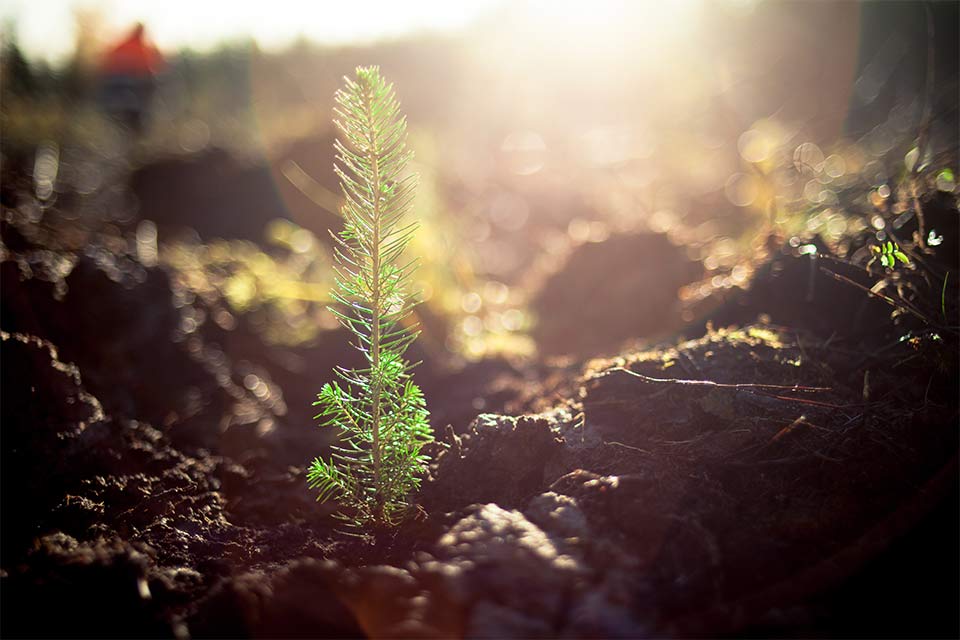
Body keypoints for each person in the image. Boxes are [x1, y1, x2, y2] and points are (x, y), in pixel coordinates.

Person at [98, 23, 164, 133]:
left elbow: (106, 65)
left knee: (117, 110)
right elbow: (154, 67)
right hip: (134, 87)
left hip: (117, 86)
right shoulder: (143, 48)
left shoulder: (120, 45)